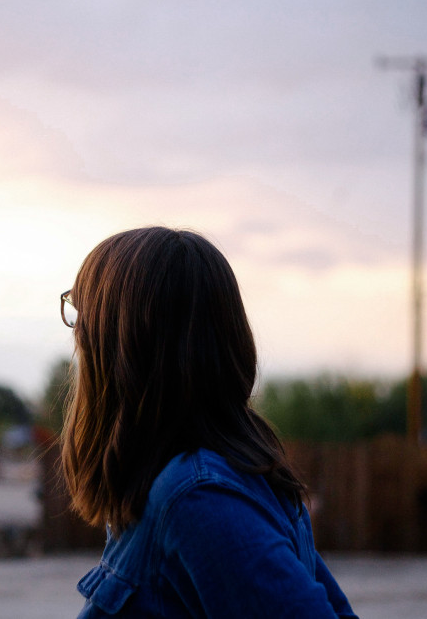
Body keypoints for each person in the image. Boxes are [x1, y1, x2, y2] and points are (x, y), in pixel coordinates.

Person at [59, 227, 357, 618]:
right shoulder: (219, 480)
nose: (77, 332)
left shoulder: (196, 498)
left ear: (120, 345)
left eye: (84, 316)